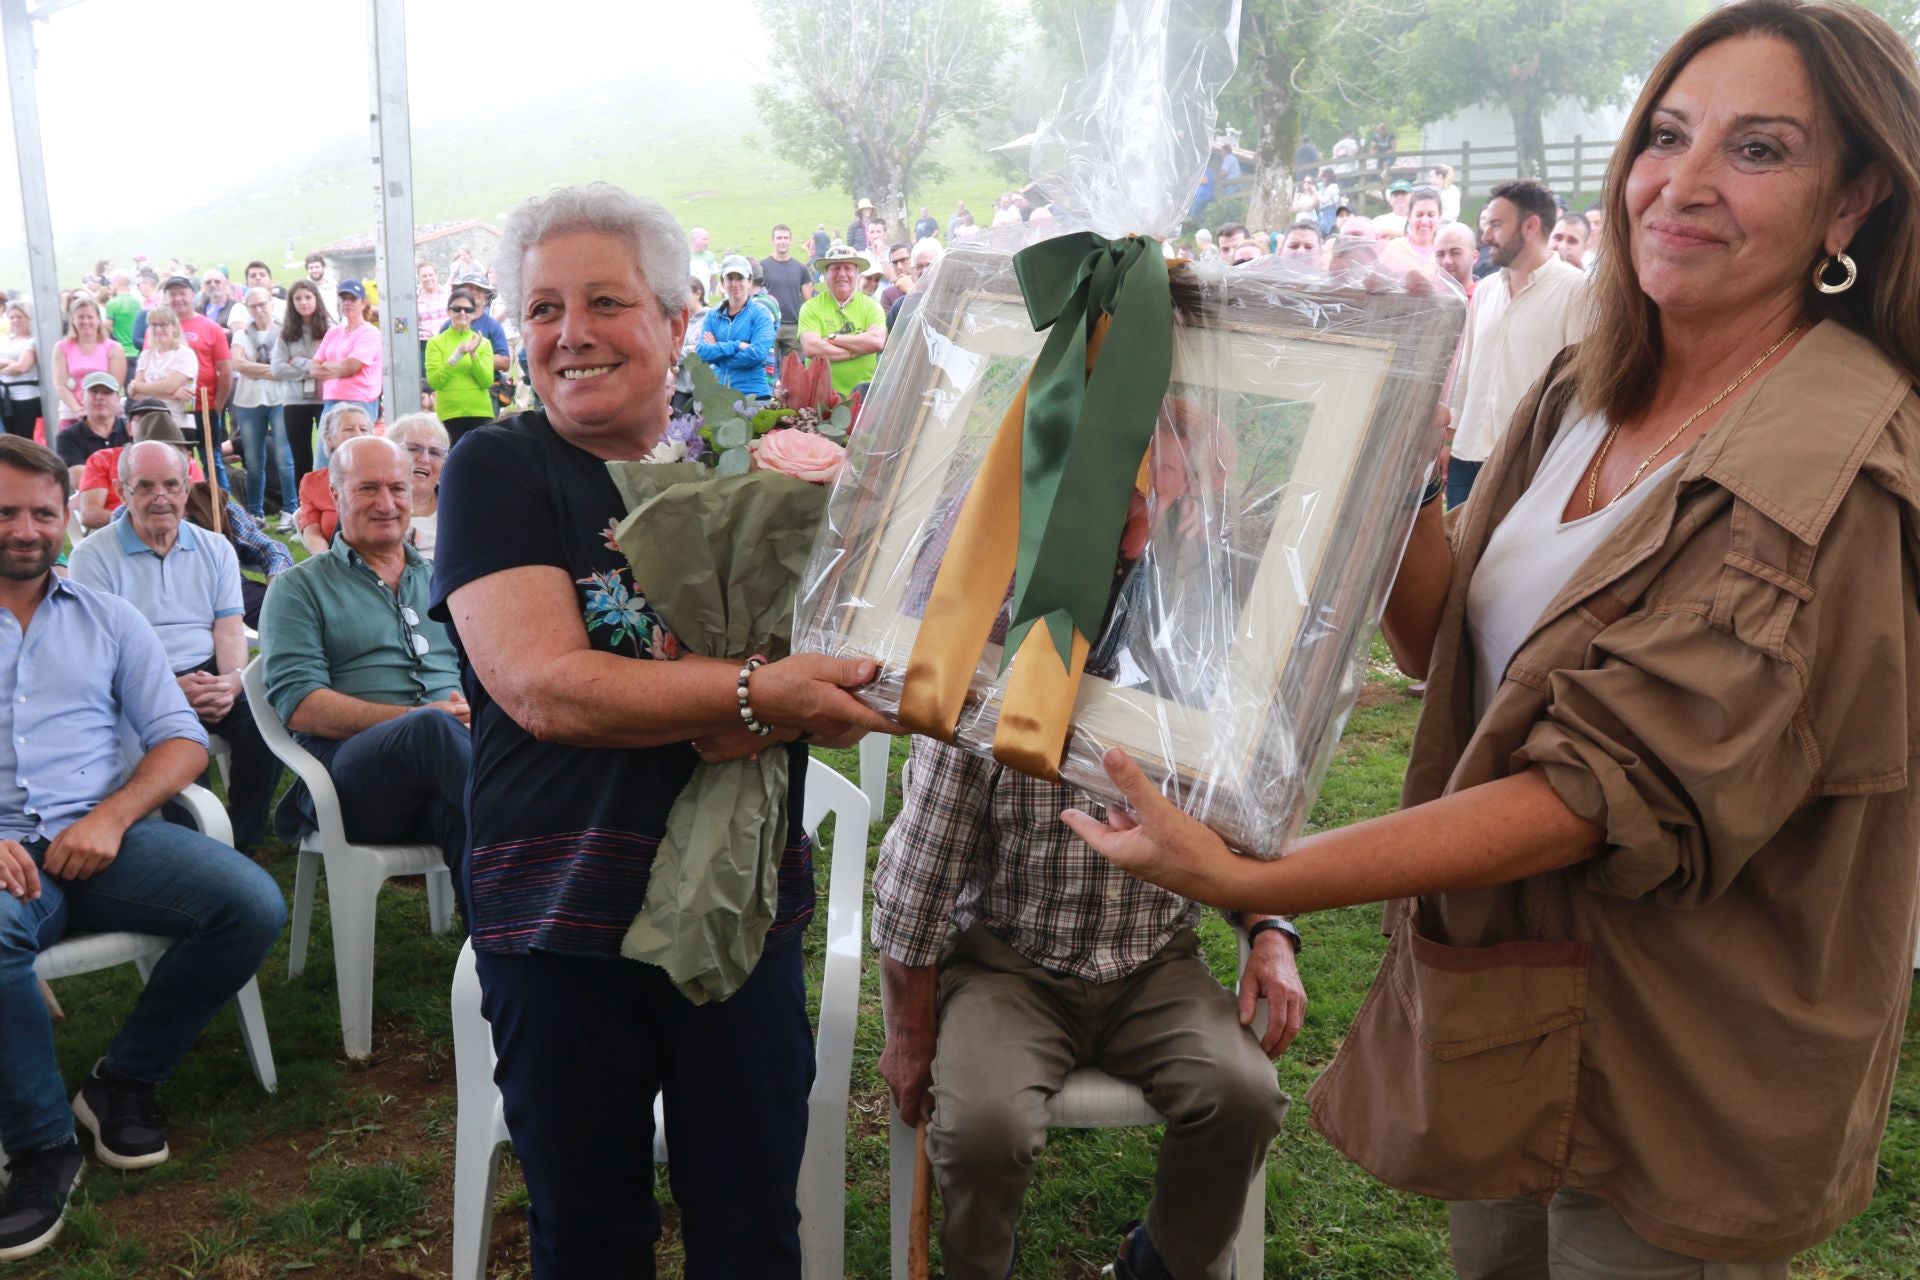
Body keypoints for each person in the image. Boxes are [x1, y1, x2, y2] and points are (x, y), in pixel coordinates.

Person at [1069, 4, 1920, 1274]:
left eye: (1758, 150)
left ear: (1852, 202)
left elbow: (1599, 788)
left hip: (1687, 1048)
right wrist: (1398, 463)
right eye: (1667, 136)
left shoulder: (1834, 464)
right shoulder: (1592, 387)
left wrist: (1258, 878)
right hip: (1522, 1000)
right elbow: (1451, 651)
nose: (1681, 186)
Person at [430, 181, 897, 1277]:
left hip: (741, 913)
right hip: (560, 918)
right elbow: (547, 686)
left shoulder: (741, 477)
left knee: (750, 1231)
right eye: (542, 309)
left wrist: (799, 692)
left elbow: (840, 668)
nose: (571, 334)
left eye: (605, 301)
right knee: (590, 1238)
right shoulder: (498, 468)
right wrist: (756, 693)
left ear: (678, 322)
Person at [0, 437, 284, 1263]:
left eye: (40, 512)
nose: (24, 528)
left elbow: (179, 743)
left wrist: (114, 818)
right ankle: (42, 1146)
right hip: (12, 857)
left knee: (249, 904)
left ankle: (124, 1078)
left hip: (108, 835)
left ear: (67, 515)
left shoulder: (105, 616)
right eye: (6, 511)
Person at [876, 739, 1301, 1280]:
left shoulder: (1188, 685)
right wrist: (909, 1034)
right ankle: (981, 1268)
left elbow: (1241, 842)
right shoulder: (987, 686)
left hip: (1153, 961)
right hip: (1007, 965)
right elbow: (920, 881)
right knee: (983, 1130)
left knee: (1243, 1097)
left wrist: (1271, 931)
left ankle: (1158, 1264)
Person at [258, 434, 469, 881]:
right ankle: (544, 826)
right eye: (368, 488)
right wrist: (414, 717)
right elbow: (301, 705)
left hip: (446, 773)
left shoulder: (442, 579)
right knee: (430, 728)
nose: (387, 503)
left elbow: (483, 674)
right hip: (349, 782)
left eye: (397, 487)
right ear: (335, 494)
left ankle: (501, 945)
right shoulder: (298, 588)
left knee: (464, 819)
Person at [66, 441, 281, 852]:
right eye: (145, 486)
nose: (160, 496)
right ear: (123, 490)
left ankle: (242, 840)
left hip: (209, 670)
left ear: (186, 488)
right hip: (139, 682)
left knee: (266, 718)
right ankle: (194, 848)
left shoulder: (214, 547)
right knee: (177, 744)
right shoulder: (92, 556)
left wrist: (232, 681)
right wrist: (165, 691)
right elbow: (102, 653)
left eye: (170, 484)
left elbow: (229, 629)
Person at [1443, 178, 1588, 508]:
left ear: (1531, 225)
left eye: (1496, 224)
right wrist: (1449, 439)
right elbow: (1467, 369)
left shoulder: (1577, 291)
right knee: (1456, 555)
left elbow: (1581, 387)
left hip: (1532, 463)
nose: (1486, 236)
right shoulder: (1485, 291)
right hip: (1468, 454)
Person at [73, 412, 206, 533]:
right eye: (145, 486)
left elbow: (202, 509)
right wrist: (135, 517)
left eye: (170, 485)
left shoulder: (188, 465)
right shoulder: (102, 459)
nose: (164, 458)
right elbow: (89, 515)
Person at [228, 288, 294, 526]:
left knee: (284, 456)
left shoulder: (286, 333)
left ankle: (291, 509)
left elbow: (291, 366)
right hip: (248, 401)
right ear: (247, 309)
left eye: (262, 304)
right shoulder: (241, 335)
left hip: (280, 399)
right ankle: (255, 512)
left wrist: (256, 368)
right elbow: (239, 364)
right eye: (253, 306)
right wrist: (273, 370)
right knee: (254, 460)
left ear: (271, 304)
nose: (259, 309)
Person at [158, 275, 232, 462]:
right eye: (172, 294)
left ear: (193, 295)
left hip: (204, 406)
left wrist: (218, 405)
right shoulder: (158, 329)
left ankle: (216, 491)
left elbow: (225, 369)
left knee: (212, 460)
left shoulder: (210, 327)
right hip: (170, 409)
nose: (178, 299)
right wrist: (171, 389)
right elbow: (152, 364)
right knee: (175, 461)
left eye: (182, 293)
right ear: (166, 297)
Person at [797, 244, 887, 398]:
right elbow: (812, 347)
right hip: (820, 399)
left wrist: (833, 338)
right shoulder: (811, 307)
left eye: (848, 268)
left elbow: (877, 342)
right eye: (836, 268)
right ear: (826, 274)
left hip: (863, 397)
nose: (842, 274)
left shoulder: (872, 307)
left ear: (857, 273)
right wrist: (858, 348)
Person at [272, 279, 329, 515]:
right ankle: (305, 513)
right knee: (301, 458)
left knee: (327, 455)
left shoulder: (330, 329)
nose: (303, 302)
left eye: (308, 297)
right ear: (292, 303)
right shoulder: (286, 334)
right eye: (298, 298)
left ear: (316, 299)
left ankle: (330, 508)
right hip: (295, 402)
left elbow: (329, 365)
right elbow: (277, 368)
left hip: (325, 399)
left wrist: (299, 362)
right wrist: (310, 368)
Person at [296, 403, 376, 556]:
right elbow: (312, 533)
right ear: (329, 438)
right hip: (334, 559)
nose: (358, 434)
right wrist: (327, 562)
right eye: (348, 429)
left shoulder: (386, 477)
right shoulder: (313, 482)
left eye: (364, 429)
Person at [311, 280, 382, 451]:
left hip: (359, 402)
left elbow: (351, 366)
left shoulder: (370, 333)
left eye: (353, 299)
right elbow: (313, 368)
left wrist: (326, 366)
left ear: (363, 303)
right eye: (344, 298)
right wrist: (340, 368)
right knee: (324, 459)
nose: (347, 303)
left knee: (356, 456)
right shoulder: (333, 332)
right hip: (330, 402)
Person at [425, 286, 496, 448]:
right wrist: (456, 355)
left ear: (473, 313)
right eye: (457, 308)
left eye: (468, 309)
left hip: (480, 412)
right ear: (448, 311)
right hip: (449, 414)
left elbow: (486, 381)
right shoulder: (435, 342)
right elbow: (435, 382)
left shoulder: (483, 343)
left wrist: (473, 354)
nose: (462, 313)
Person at [696, 255, 775, 397]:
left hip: (753, 395)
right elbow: (702, 352)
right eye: (730, 278)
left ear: (749, 282)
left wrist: (717, 355)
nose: (735, 283)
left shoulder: (761, 313)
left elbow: (757, 354)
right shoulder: (712, 315)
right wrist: (736, 345)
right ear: (722, 282)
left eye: (740, 278)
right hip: (719, 395)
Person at [51, 295, 126, 428]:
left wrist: (93, 411)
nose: (86, 322)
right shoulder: (61, 347)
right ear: (73, 320)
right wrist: (78, 410)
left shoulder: (114, 348)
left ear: (98, 319)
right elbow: (60, 385)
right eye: (80, 317)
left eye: (90, 317)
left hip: (105, 409)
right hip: (72, 410)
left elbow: (115, 385)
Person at [126, 306, 200, 433]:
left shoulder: (184, 354)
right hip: (147, 424)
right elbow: (136, 395)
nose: (158, 329)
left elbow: (168, 387)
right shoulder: (146, 355)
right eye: (154, 325)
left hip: (177, 425)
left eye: (164, 325)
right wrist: (169, 392)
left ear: (174, 327)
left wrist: (138, 386)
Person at [386, 412, 447, 559]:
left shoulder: (460, 509)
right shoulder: (373, 507)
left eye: (434, 452)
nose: (425, 459)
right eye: (413, 449)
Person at [53, 373, 129, 488]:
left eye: (107, 392)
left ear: (118, 398)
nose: (100, 397)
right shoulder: (68, 437)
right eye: (94, 391)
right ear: (82, 396)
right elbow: (78, 481)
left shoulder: (131, 429)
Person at [760, 224, 813, 364]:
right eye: (779, 238)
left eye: (785, 238)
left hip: (793, 326)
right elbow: (756, 297)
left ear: (791, 241)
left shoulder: (800, 268)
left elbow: (809, 301)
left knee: (795, 371)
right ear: (772, 241)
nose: (782, 241)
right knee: (766, 369)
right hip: (768, 325)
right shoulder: (762, 267)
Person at [0, 301, 38, 441]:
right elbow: (16, 366)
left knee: (24, 437)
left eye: (19, 316)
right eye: (12, 317)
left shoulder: (32, 340)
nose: (15, 320)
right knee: (10, 436)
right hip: (5, 396)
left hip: (25, 397)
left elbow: (23, 366)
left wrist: (3, 367)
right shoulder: (5, 340)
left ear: (27, 318)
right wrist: (10, 363)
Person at [101, 272, 141, 371]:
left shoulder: (113, 303)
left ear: (117, 283)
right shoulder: (137, 302)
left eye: (111, 283)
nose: (110, 286)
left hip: (122, 352)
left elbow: (107, 325)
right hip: (137, 351)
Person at [1434, 220, 1478, 296]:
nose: (1446, 261)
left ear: (1474, 257)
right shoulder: (1427, 300)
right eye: (1440, 254)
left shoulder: (1484, 299)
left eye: (1455, 253)